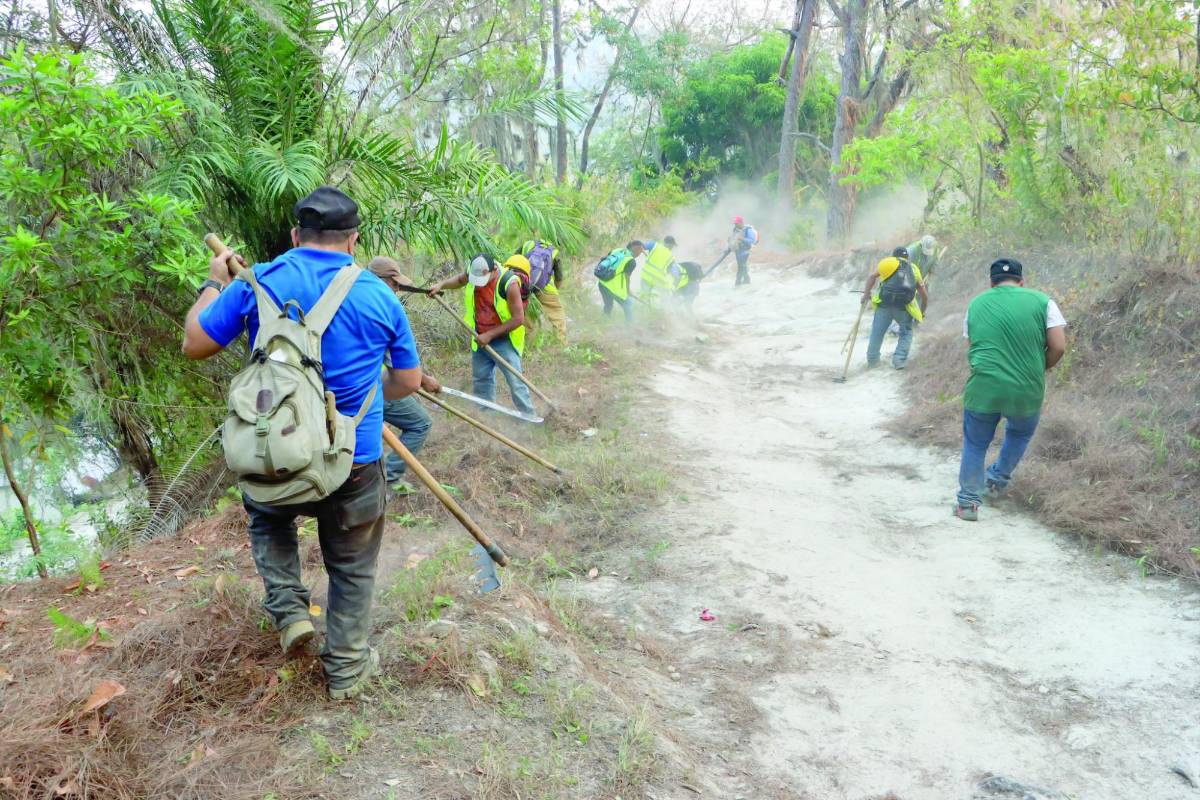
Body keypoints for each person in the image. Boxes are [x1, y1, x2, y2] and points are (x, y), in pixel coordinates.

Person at [182, 186, 421, 700]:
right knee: (351, 565)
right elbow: (408, 382)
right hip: (353, 459)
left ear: (295, 235)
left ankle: (290, 609)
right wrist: (365, 393)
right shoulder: (378, 294)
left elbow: (194, 344)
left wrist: (214, 282)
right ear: (354, 240)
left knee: (268, 517)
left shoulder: (257, 281)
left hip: (278, 451)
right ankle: (347, 669)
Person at [954, 258, 1067, 521]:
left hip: (984, 387)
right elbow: (1059, 346)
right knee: (1019, 434)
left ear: (991, 283)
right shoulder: (1044, 302)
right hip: (1026, 388)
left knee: (976, 442)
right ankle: (995, 482)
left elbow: (973, 346)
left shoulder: (976, 304)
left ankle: (968, 503)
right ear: (1021, 282)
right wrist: (1039, 368)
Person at [366, 256, 444, 495]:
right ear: (382, 280)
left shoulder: (352, 296)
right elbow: (398, 364)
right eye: (395, 283)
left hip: (343, 384)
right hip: (368, 385)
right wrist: (425, 380)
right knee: (420, 423)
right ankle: (388, 478)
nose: (397, 289)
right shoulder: (383, 305)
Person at [428, 254, 536, 416]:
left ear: (493, 270)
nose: (478, 284)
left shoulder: (509, 283)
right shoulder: (475, 270)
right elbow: (460, 280)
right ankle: (486, 416)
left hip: (503, 340)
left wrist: (490, 335)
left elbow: (518, 319)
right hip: (479, 337)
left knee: (515, 381)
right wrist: (441, 285)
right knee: (481, 380)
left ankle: (529, 416)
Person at [862, 246, 929, 370]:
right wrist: (922, 313)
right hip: (903, 307)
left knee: (877, 332)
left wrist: (866, 295)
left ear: (893, 256)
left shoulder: (888, 262)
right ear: (907, 257)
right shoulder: (914, 268)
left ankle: (872, 361)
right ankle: (899, 360)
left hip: (884, 305)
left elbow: (872, 277)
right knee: (906, 333)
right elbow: (924, 296)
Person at [517, 237, 567, 343]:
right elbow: (559, 278)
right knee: (556, 312)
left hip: (523, 284)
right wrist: (556, 290)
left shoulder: (528, 243)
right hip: (544, 287)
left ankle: (524, 339)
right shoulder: (554, 252)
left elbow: (514, 259)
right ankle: (560, 341)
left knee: (526, 311)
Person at [596, 241, 644, 323]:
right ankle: (631, 326)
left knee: (608, 305)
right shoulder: (631, 261)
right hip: (613, 288)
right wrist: (628, 291)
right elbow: (627, 278)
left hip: (602, 283)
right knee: (628, 304)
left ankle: (603, 322)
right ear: (636, 248)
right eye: (640, 251)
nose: (640, 254)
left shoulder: (617, 250)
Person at [639, 236, 678, 302]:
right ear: (671, 245)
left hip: (646, 276)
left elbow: (641, 247)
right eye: (673, 246)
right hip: (658, 281)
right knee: (664, 296)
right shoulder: (671, 257)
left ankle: (643, 306)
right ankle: (661, 307)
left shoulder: (654, 245)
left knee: (644, 297)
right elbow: (670, 272)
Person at [728, 216, 758, 286]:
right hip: (738, 251)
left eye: (736, 223)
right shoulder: (735, 230)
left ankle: (737, 283)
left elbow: (752, 240)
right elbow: (734, 240)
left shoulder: (748, 230)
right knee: (742, 267)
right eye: (735, 223)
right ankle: (747, 280)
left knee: (741, 267)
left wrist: (742, 239)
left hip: (745, 251)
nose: (735, 225)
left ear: (741, 222)